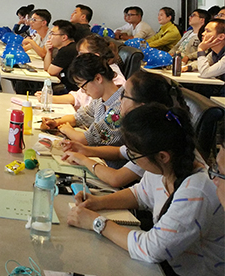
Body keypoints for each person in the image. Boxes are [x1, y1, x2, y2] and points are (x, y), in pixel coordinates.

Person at [67, 103, 224, 276]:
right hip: (167, 264)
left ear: (162, 156)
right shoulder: (166, 167)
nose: (132, 160)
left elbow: (151, 249)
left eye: (134, 156)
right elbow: (140, 194)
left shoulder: (196, 192)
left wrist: (97, 223)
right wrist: (98, 202)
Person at [62, 71, 186, 188]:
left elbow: (116, 179)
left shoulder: (152, 137)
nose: (120, 99)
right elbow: (120, 152)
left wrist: (83, 160)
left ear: (142, 106)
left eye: (124, 95)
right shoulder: (145, 127)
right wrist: (85, 150)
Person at [41, 54, 124, 159]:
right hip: (96, 157)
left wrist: (67, 130)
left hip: (110, 163)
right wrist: (56, 122)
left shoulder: (120, 106)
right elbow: (80, 117)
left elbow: (84, 139)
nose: (84, 91)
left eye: (83, 86)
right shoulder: (100, 99)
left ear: (98, 78)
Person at [39, 34, 124, 109]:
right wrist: (49, 98)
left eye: (82, 54)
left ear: (94, 56)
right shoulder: (94, 72)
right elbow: (79, 97)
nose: (78, 57)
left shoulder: (114, 81)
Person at [183, 18, 225, 91]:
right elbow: (201, 63)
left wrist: (201, 50)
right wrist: (188, 67)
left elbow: (205, 73)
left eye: (208, 31)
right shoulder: (214, 53)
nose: (203, 33)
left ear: (221, 37)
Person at [43, 19, 79, 92]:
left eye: (52, 34)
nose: (49, 37)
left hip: (72, 89)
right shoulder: (70, 47)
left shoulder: (67, 50)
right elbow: (47, 69)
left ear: (64, 37)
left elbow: (50, 72)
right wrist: (49, 52)